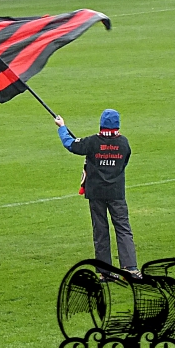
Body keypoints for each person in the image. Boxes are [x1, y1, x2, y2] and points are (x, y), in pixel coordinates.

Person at [54, 110, 140, 279]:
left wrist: (62, 127)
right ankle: (130, 268)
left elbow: (70, 144)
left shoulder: (92, 142)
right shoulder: (123, 143)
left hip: (96, 192)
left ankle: (104, 272)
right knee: (123, 229)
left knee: (100, 230)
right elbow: (124, 163)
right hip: (116, 192)